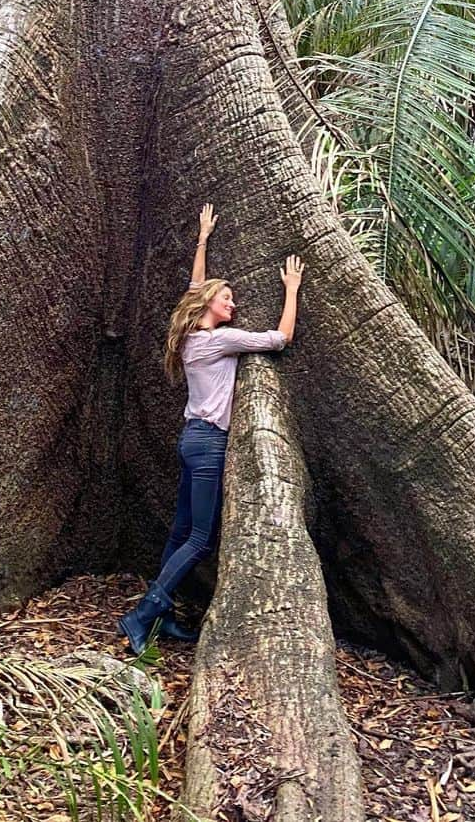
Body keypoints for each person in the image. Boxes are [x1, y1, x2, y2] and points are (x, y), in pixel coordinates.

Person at [117, 203, 304, 654]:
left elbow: (194, 287)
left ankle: (161, 616)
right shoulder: (221, 341)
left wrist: (202, 240)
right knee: (200, 538)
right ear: (211, 308)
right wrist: (292, 289)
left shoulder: (188, 337)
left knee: (182, 533)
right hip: (209, 445)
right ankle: (142, 614)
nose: (233, 304)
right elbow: (280, 340)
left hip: (191, 441)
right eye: (228, 300)